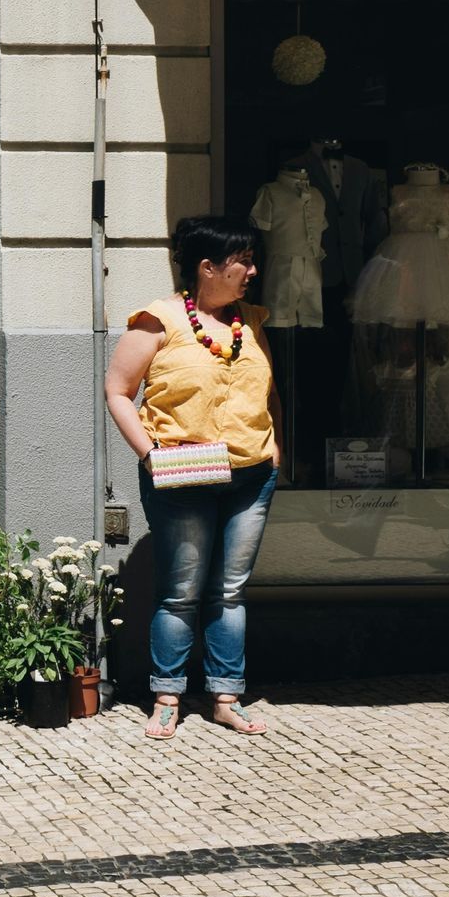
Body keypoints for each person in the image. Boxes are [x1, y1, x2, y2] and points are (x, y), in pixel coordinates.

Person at [105, 216, 282, 739]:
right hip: (183, 470)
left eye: (252, 259)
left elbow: (268, 391)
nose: (252, 270)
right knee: (181, 590)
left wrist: (277, 452)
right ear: (208, 268)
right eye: (242, 261)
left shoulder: (249, 321)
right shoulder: (157, 321)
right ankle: (168, 695)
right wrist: (148, 455)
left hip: (250, 472)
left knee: (229, 591)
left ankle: (226, 695)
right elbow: (118, 391)